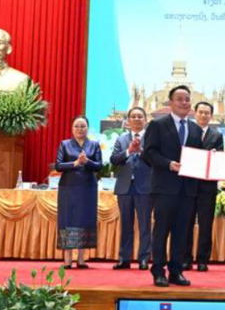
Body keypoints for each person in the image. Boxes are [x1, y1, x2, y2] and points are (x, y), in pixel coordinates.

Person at [142, 85, 203, 287]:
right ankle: (158, 271)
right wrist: (169, 164)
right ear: (170, 102)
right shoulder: (158, 125)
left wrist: (209, 159)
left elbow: (199, 157)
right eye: (180, 99)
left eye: (187, 99)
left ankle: (176, 271)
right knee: (161, 231)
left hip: (188, 190)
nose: (184, 103)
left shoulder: (195, 129)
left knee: (182, 232)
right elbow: (148, 153)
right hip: (164, 188)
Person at [55, 115, 103, 269]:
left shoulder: (94, 145)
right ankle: (67, 259)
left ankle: (81, 259)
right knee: (68, 220)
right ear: (72, 128)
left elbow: (99, 166)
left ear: (87, 128)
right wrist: (75, 163)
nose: (79, 129)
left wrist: (87, 161)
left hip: (87, 188)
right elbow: (58, 166)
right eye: (76, 126)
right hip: (68, 187)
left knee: (84, 220)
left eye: (83, 126)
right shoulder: (65, 144)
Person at [184, 101, 224, 272]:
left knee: (206, 225)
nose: (203, 115)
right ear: (195, 113)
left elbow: (221, 159)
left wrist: (216, 155)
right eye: (200, 112)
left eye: (207, 113)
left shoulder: (217, 135)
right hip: (188, 185)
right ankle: (185, 258)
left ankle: (202, 259)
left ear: (211, 116)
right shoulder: (187, 131)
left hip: (207, 187)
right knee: (186, 224)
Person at [110, 107, 152, 271]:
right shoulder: (121, 139)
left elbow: (155, 160)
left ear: (145, 120)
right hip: (125, 187)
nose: (136, 119)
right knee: (126, 225)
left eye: (140, 116)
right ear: (128, 121)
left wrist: (140, 151)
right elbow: (114, 159)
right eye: (133, 116)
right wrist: (128, 151)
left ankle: (144, 258)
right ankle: (124, 259)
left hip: (145, 187)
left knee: (144, 225)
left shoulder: (151, 138)